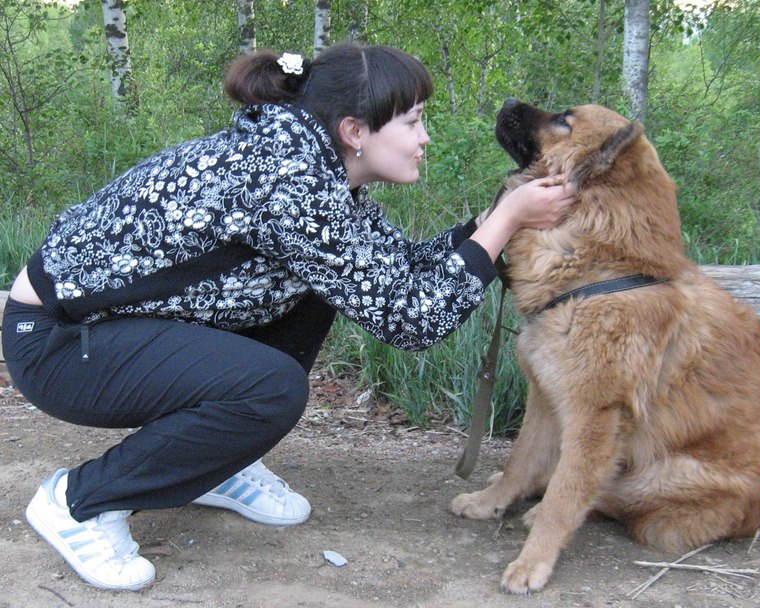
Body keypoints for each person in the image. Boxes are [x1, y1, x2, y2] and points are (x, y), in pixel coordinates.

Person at [1, 43, 575, 591]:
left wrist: (496, 219)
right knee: (271, 390)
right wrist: (505, 223)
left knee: (327, 287)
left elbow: (397, 270)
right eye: (414, 121)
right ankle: (79, 503)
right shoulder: (287, 181)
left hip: (116, 329)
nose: (425, 139)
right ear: (354, 131)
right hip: (58, 344)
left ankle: (216, 464)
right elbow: (412, 320)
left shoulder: (309, 165)